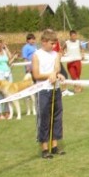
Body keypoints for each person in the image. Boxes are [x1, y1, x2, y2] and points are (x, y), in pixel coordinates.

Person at [32, 29, 65, 158]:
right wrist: (50, 75)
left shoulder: (56, 54)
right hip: (43, 91)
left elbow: (57, 67)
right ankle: (45, 148)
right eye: (51, 43)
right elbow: (36, 74)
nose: (53, 46)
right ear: (44, 42)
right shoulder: (36, 55)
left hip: (55, 90)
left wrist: (57, 73)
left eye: (54, 43)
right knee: (44, 118)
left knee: (57, 117)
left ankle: (55, 146)